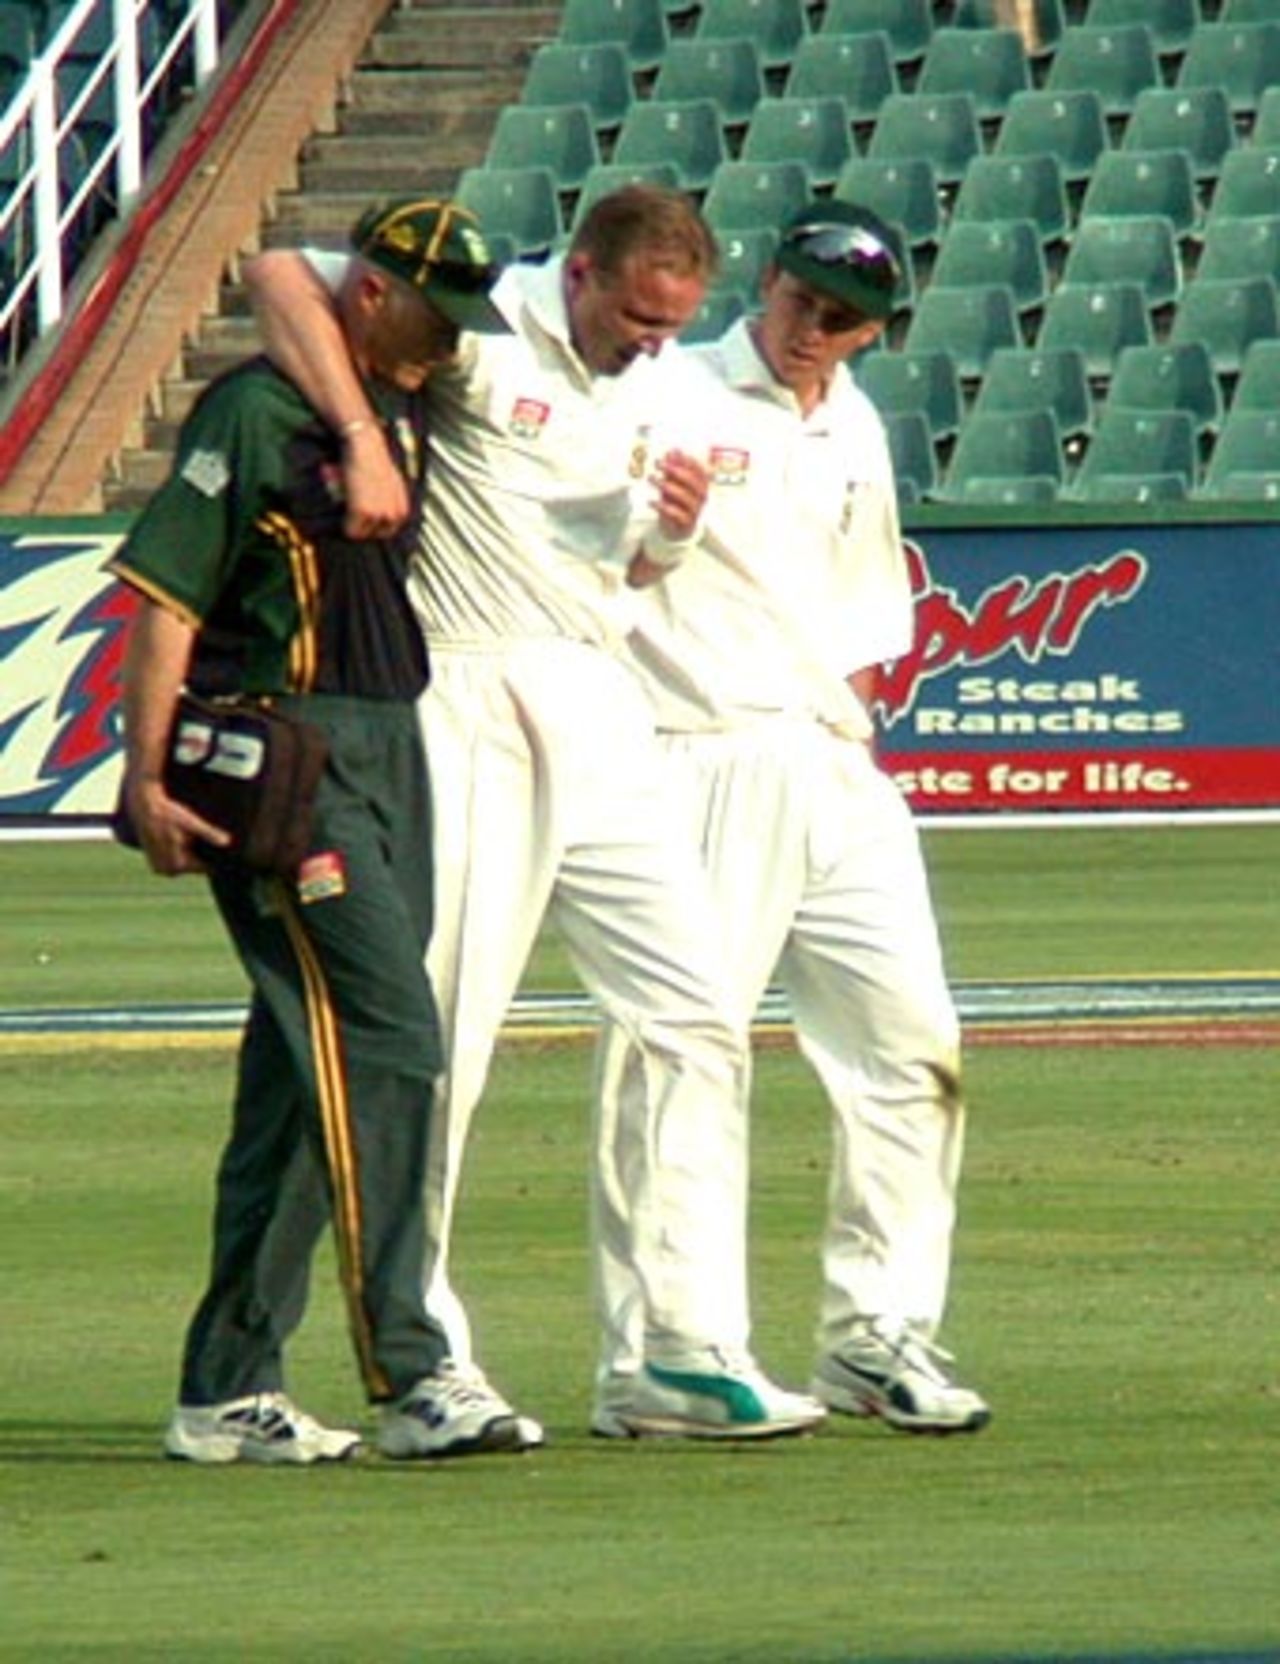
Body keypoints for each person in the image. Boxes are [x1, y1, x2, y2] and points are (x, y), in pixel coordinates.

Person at [244, 185, 824, 1440]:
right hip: (461, 687)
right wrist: (358, 427)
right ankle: (424, 1354)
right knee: (439, 1036)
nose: (651, 340)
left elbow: (624, 563)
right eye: (632, 315)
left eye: (672, 321)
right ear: (576, 275)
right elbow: (278, 272)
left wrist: (665, 534)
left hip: (596, 691)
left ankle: (673, 1349)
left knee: (694, 1010)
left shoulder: (667, 388)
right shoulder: (480, 321)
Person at [111, 196, 548, 1465]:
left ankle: (223, 1385)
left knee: (301, 1086)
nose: (452, 341)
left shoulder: (405, 387)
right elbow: (165, 602)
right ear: (370, 293)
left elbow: (342, 310)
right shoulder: (256, 411)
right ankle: (414, 1369)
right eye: (431, 313)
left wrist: (371, 419)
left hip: (386, 740)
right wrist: (145, 774)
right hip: (282, 752)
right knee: (390, 1037)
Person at [592, 200, 991, 1436]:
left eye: (846, 319)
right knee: (680, 1056)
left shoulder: (854, 424)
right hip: (697, 752)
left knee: (910, 1048)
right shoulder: (669, 391)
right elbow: (603, 559)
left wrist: (841, 737)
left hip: (830, 761)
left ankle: (874, 1333)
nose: (815, 331)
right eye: (803, 302)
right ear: (761, 283)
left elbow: (871, 608)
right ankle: (666, 1350)